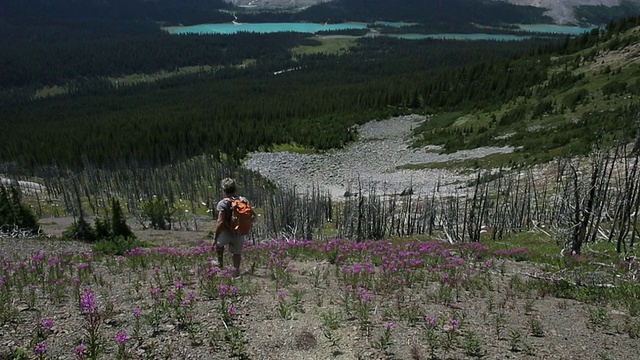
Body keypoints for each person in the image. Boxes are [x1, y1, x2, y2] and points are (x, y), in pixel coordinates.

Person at [213, 178, 253, 277]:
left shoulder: (222, 203)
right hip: (239, 232)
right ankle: (236, 272)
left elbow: (220, 222)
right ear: (235, 188)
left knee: (219, 245)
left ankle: (220, 264)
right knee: (237, 253)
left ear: (224, 190)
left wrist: (215, 237)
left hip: (227, 232)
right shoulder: (243, 200)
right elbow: (252, 216)